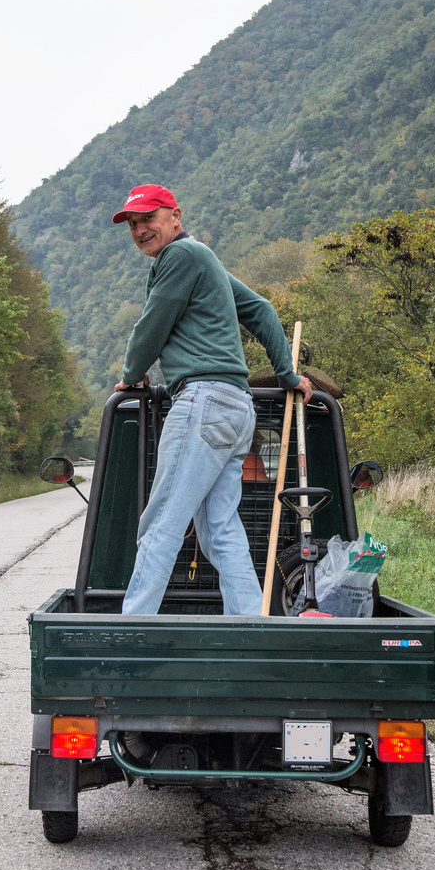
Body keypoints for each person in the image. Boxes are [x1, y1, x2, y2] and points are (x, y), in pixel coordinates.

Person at [113, 184, 312, 616]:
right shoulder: (203, 259)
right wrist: (287, 374)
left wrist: (131, 376)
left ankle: (132, 631)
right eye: (132, 224)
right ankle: (249, 632)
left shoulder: (181, 257)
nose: (140, 229)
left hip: (202, 403)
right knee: (219, 530)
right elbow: (260, 308)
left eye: (148, 218)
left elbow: (151, 326)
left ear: (175, 216)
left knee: (161, 521)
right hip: (236, 409)